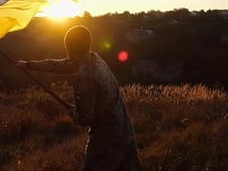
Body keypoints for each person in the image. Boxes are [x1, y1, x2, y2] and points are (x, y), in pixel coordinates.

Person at [16, 25, 141, 171]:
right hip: (125, 130)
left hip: (106, 140)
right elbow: (61, 65)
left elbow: (85, 118)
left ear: (68, 47)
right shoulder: (93, 58)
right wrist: (29, 65)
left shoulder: (83, 77)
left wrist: (73, 112)